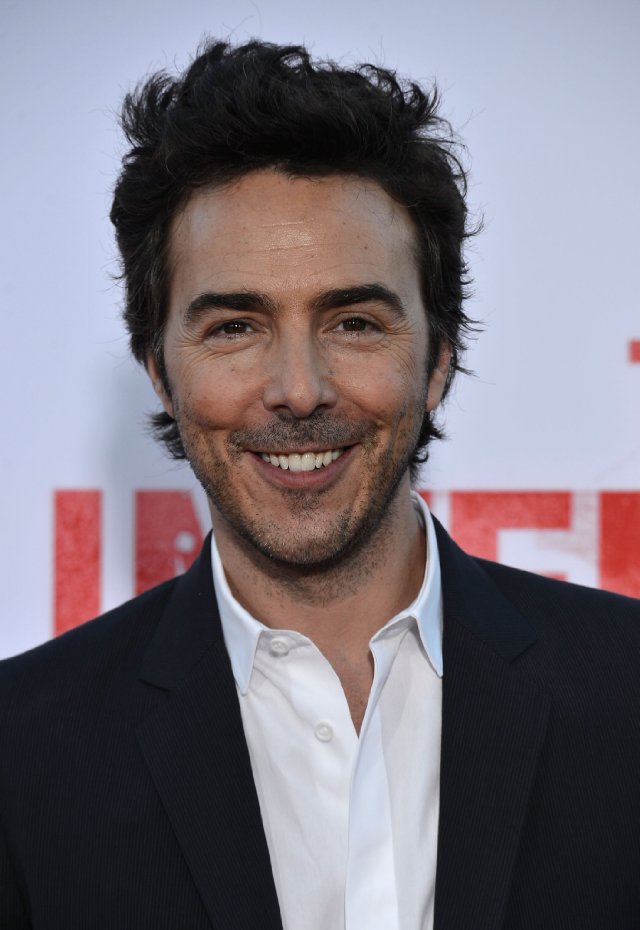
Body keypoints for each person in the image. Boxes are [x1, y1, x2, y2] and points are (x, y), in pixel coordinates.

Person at [1, 39, 639, 930]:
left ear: (438, 361)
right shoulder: (22, 751)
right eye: (235, 327)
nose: (299, 389)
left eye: (354, 322)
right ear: (160, 372)